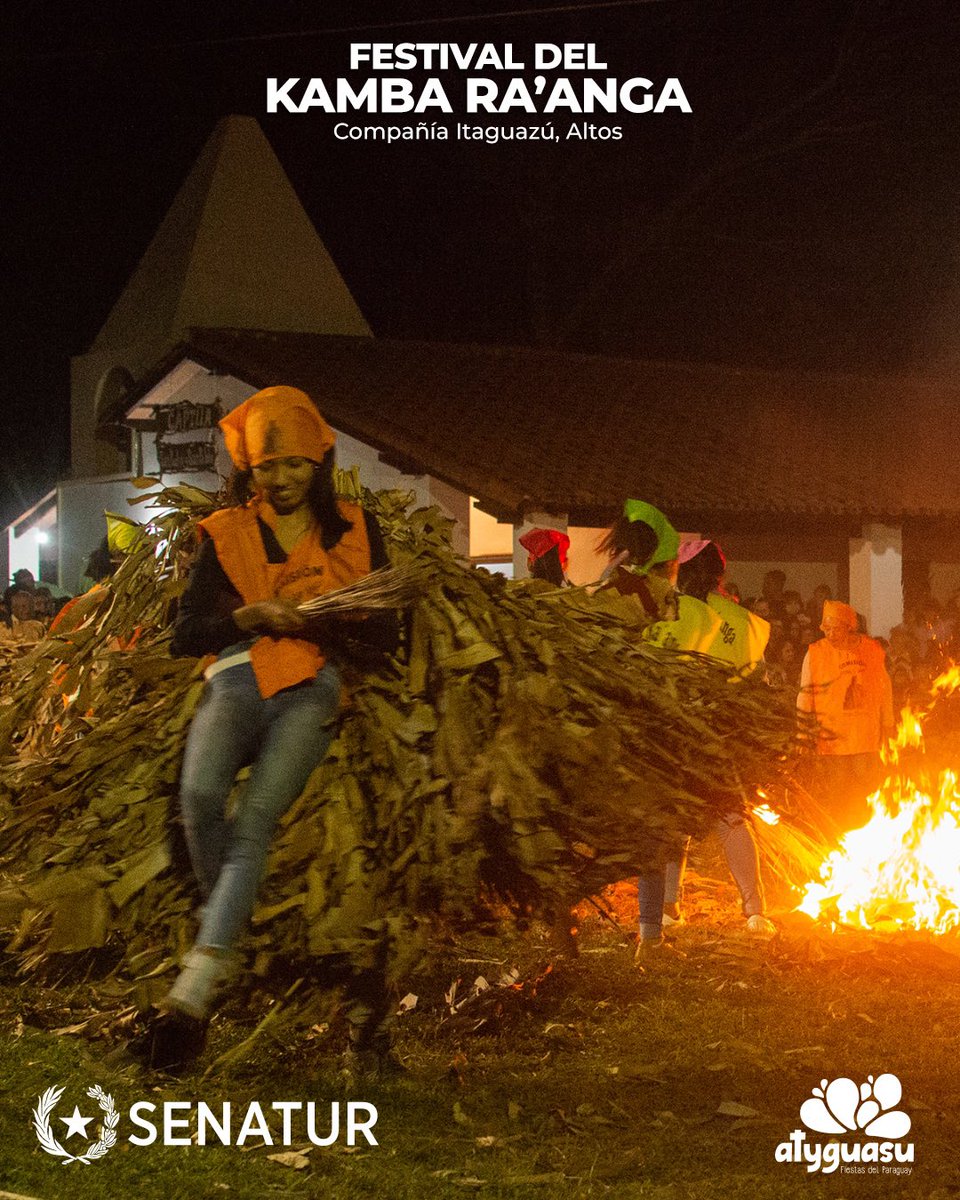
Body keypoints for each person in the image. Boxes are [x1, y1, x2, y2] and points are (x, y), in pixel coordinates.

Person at [149, 385, 397, 1069]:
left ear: (319, 460)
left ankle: (196, 986)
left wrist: (320, 619)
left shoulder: (351, 528)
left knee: (255, 818)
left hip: (312, 685)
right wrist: (250, 618)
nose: (282, 479)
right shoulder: (227, 534)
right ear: (248, 472)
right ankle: (230, 929)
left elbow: (384, 631)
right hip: (234, 676)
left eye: (294, 464)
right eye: (267, 468)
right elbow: (185, 632)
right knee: (199, 799)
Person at [639, 538, 776, 946]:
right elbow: (758, 681)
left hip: (672, 732)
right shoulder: (743, 621)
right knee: (731, 819)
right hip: (722, 734)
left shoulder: (668, 613)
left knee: (670, 822)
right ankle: (754, 911)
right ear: (722, 575)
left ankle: (665, 908)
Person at [797, 599, 895, 834]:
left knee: (866, 787)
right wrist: (802, 731)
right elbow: (805, 693)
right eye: (826, 628)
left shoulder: (871, 649)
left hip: (865, 736)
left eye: (835, 628)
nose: (830, 633)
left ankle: (869, 832)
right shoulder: (816, 653)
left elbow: (884, 687)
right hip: (832, 736)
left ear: (849, 627)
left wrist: (888, 722)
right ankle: (837, 835)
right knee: (837, 790)